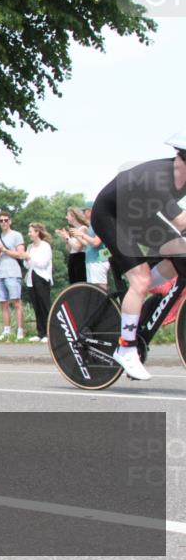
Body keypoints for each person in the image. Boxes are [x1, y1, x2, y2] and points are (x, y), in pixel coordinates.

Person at [87, 134, 186, 381]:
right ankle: (126, 348)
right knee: (140, 279)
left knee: (180, 256)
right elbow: (180, 221)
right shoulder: (158, 178)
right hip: (110, 215)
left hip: (139, 215)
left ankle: (137, 298)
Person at [0, 211, 26, 341]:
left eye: (6, 220)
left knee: (16, 302)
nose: (4, 223)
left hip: (13, 272)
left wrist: (5, 250)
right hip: (0, 273)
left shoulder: (17, 235)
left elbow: (21, 254)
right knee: (3, 303)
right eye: (1, 221)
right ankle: (7, 330)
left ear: (10, 221)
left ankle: (20, 330)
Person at [21, 223, 53, 342]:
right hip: (31, 278)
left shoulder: (45, 246)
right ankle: (40, 332)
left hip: (42, 277)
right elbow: (26, 265)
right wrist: (26, 259)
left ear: (37, 232)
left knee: (44, 305)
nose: (29, 234)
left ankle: (49, 333)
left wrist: (30, 258)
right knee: (36, 306)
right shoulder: (30, 247)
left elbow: (43, 263)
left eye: (31, 231)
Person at [71, 206, 109, 290]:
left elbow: (96, 242)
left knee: (101, 290)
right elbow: (88, 244)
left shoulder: (98, 224)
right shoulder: (91, 226)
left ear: (91, 211)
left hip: (98, 262)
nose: (83, 213)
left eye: (84, 211)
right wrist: (78, 236)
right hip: (91, 262)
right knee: (93, 290)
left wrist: (82, 234)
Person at [55, 207, 88, 284]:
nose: (66, 217)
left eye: (68, 215)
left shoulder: (82, 228)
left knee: (80, 282)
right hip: (72, 258)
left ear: (73, 216)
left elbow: (78, 248)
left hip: (80, 258)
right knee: (73, 283)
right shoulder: (73, 230)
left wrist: (67, 237)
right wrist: (65, 238)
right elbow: (69, 249)